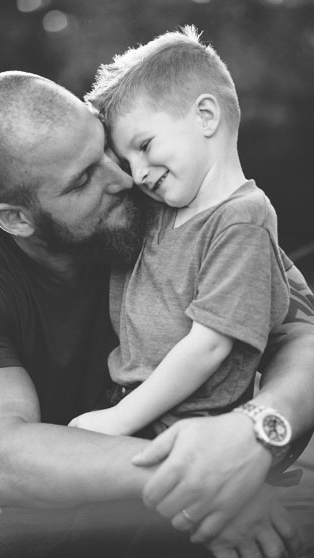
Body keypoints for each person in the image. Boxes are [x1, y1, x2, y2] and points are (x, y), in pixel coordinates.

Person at [0, 70, 314, 557]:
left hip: (178, 465)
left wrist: (253, 434)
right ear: (16, 218)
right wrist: (202, 478)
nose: (123, 176)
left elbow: (300, 329)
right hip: (41, 499)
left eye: (103, 144)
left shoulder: (158, 194)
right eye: (83, 178)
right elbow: (6, 458)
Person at [65, 27, 289, 442]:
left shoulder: (242, 220)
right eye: (127, 158)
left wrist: (121, 419)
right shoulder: (163, 207)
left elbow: (209, 346)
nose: (137, 173)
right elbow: (58, 136)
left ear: (206, 116)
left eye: (145, 145)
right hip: (126, 408)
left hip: (185, 429)